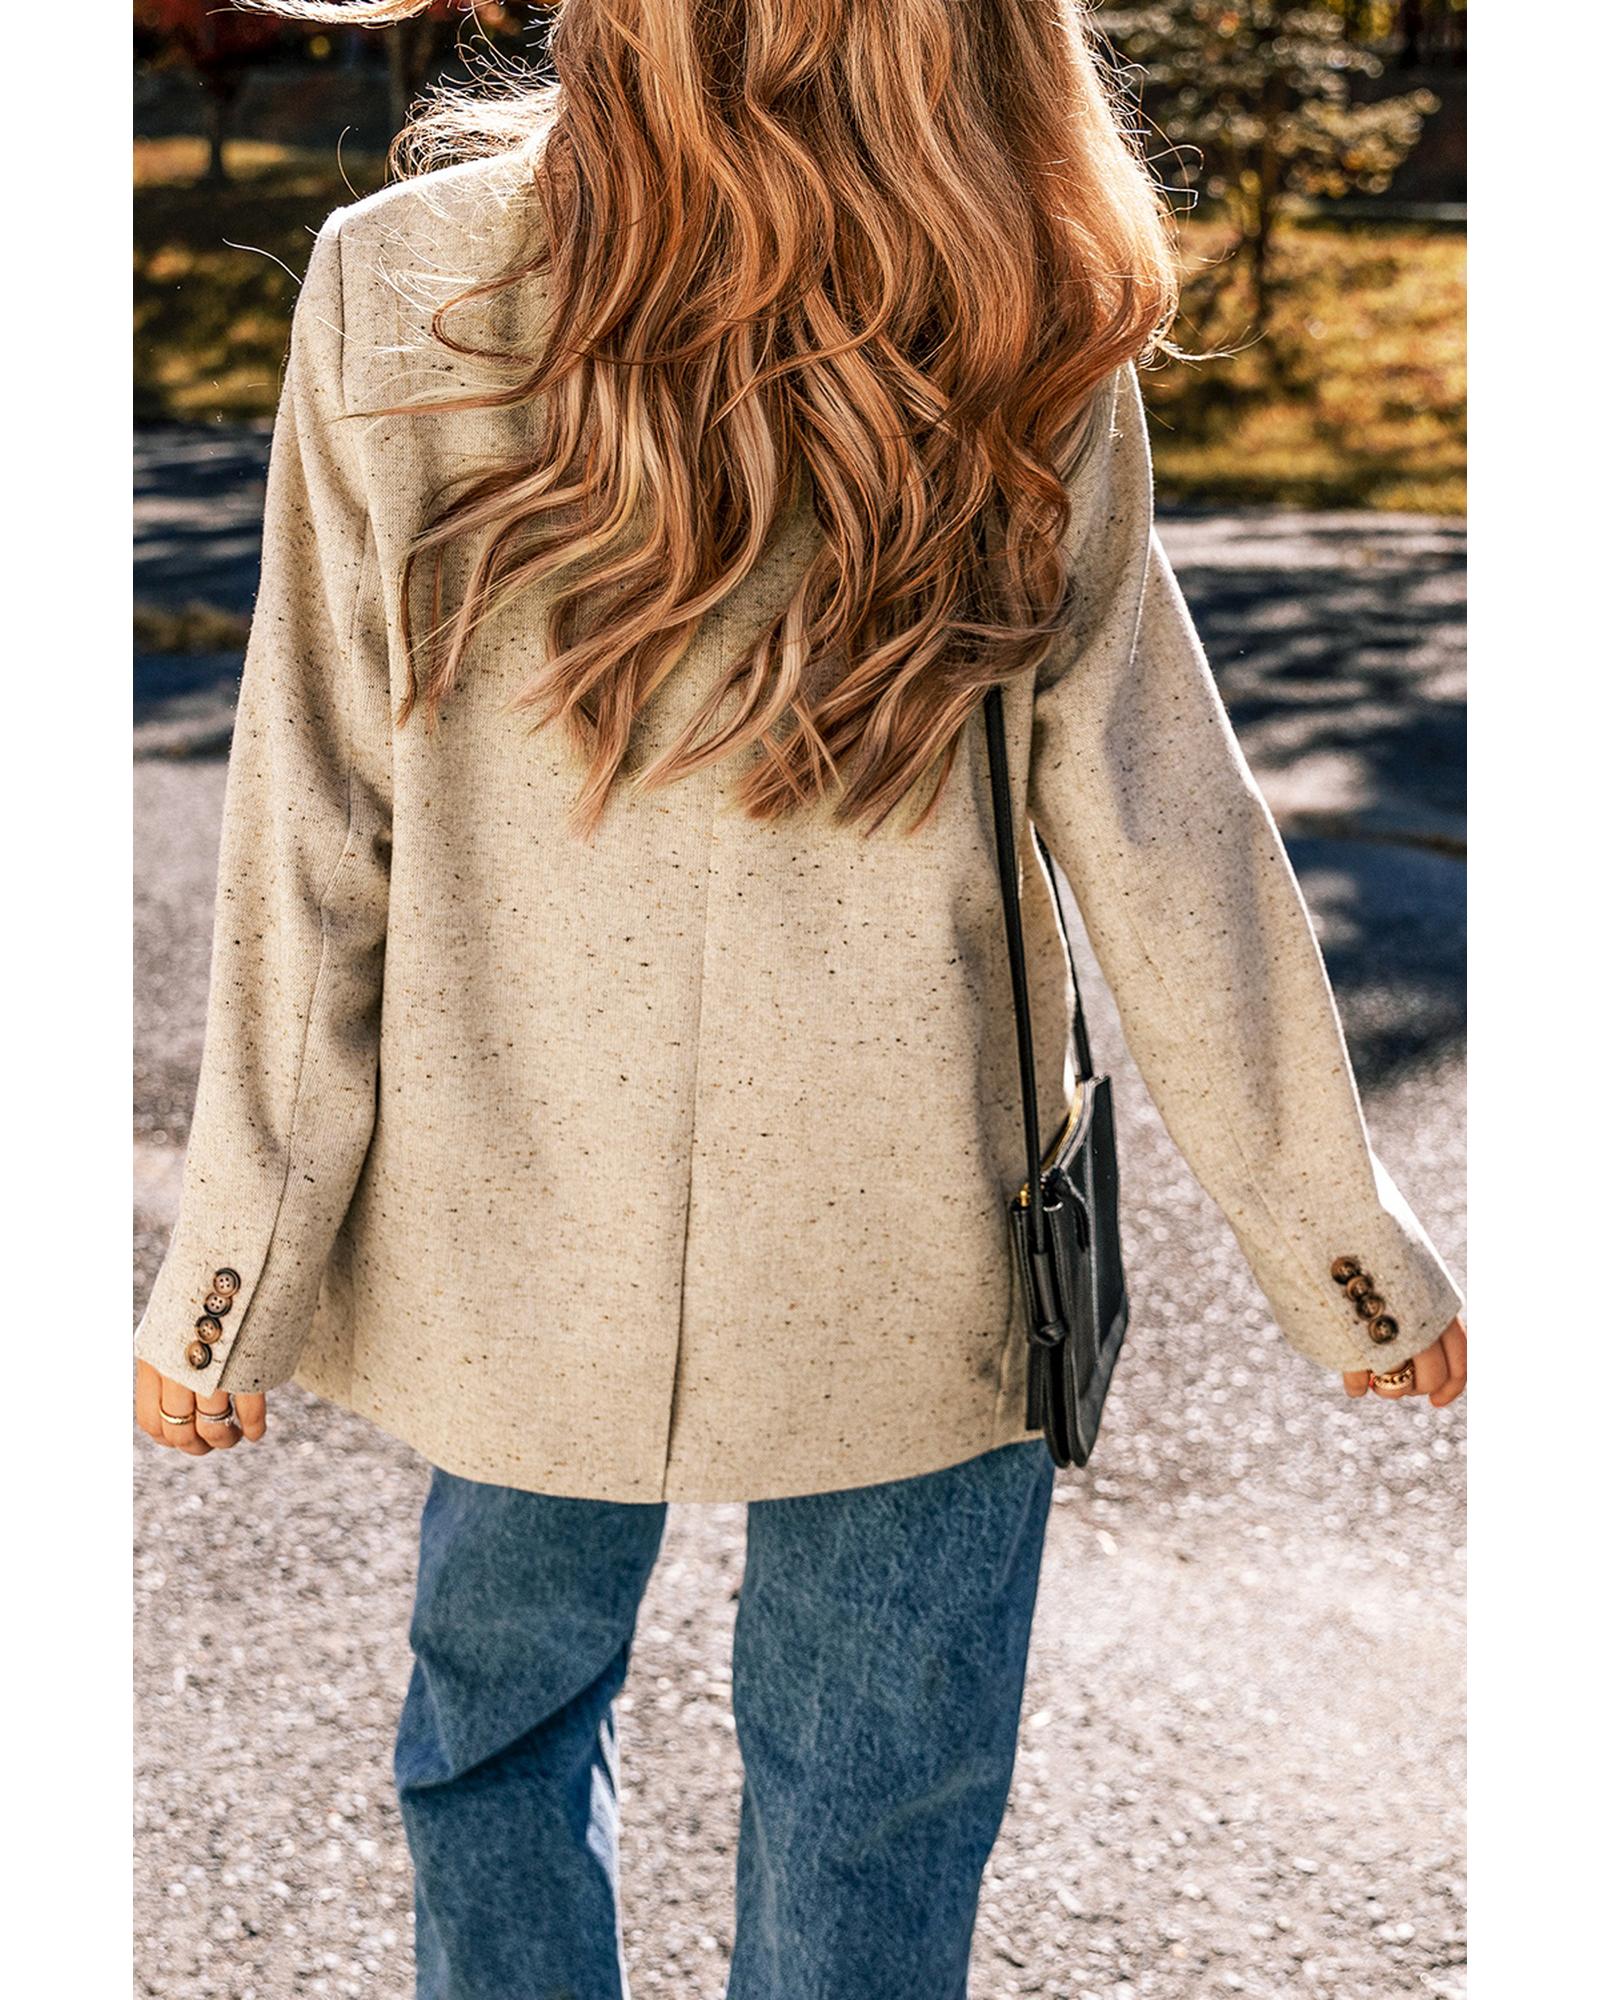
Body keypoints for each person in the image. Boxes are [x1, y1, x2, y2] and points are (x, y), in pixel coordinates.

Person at [134, 4, 1466, 1995]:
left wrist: (227, 1278)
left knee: (494, 1737)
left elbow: (318, 827)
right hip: (919, 1226)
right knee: (876, 1793)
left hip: (520, 1216)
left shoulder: (402, 280)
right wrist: (1338, 1249)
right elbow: (1153, 816)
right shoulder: (1011, 284)